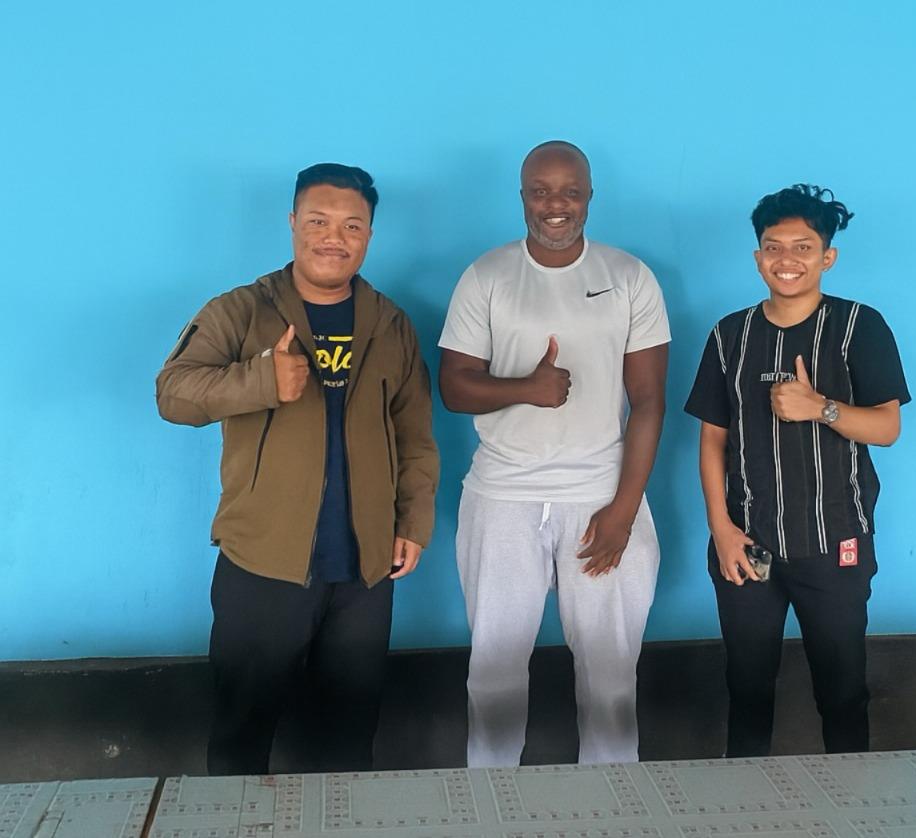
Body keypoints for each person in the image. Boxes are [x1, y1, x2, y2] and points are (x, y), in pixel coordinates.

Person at [156, 163, 439, 775]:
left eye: (351, 225)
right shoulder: (241, 310)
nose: (334, 237)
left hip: (364, 574)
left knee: (348, 740)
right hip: (263, 565)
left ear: (369, 235)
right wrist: (261, 379)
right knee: (241, 738)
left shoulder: (390, 323)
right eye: (318, 221)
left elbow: (415, 434)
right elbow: (173, 394)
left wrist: (412, 522)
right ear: (292, 223)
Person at [438, 141, 670, 767]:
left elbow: (649, 402)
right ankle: (489, 800)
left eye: (570, 191)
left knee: (611, 679)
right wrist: (525, 389)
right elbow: (454, 387)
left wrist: (623, 511)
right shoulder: (487, 275)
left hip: (601, 497)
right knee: (493, 674)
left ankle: (613, 801)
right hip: (502, 498)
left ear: (590, 196)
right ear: (522, 197)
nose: (555, 205)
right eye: (540, 191)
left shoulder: (630, 277)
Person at [684, 184, 910, 757]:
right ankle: (746, 800)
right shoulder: (729, 335)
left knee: (842, 694)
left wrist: (821, 408)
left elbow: (887, 427)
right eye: (774, 247)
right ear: (758, 256)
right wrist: (722, 530)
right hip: (748, 546)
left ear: (827, 257)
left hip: (835, 545)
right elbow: (712, 440)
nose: (787, 259)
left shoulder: (860, 326)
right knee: (747, 690)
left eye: (803, 247)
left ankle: (851, 798)